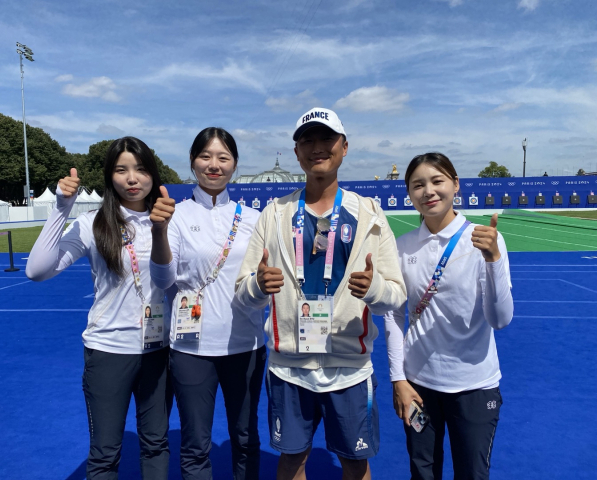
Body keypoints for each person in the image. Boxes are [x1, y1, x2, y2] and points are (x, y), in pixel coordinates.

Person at [235, 108, 406, 480]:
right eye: (307, 140)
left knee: (355, 463)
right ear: (296, 152)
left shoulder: (369, 213)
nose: (317, 148)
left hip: (350, 368)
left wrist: (374, 289)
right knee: (291, 461)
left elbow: (396, 295)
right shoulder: (274, 213)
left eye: (326, 139)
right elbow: (243, 292)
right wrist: (256, 285)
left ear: (344, 147)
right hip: (289, 368)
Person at [26, 137, 174, 480]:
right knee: (105, 453)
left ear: (153, 173)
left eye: (140, 169)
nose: (132, 178)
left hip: (158, 350)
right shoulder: (92, 224)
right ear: (110, 177)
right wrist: (62, 206)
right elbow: (37, 270)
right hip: (108, 351)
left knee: (156, 443)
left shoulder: (166, 220)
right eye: (121, 170)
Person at [384, 152, 514, 480]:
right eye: (418, 185)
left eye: (437, 181)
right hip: (417, 388)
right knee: (422, 471)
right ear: (409, 193)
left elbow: (500, 319)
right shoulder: (403, 247)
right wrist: (399, 380)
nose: (428, 191)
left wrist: (493, 259)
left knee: (472, 473)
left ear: (455, 185)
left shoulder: (485, 240)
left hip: (474, 386)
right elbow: (393, 316)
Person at [149, 127, 266, 480]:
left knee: (245, 438)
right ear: (192, 161)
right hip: (190, 348)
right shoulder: (176, 214)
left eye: (223, 158)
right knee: (195, 443)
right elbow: (163, 279)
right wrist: (158, 231)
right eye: (205, 156)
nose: (213, 165)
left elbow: (262, 283)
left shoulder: (253, 219)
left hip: (245, 344)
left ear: (234, 165)